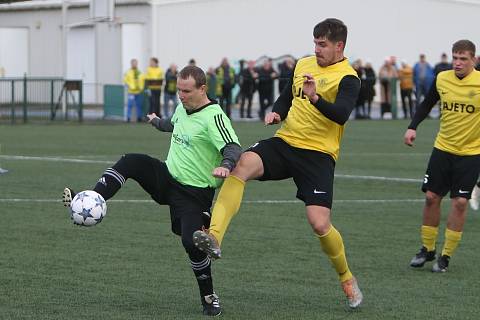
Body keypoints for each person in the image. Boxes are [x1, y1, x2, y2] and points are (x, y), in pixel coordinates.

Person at [193, 18, 363, 309]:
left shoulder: (349, 77)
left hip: (319, 155)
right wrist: (276, 112)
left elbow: (341, 114)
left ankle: (346, 277)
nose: (317, 49)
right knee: (240, 166)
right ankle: (215, 236)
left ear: (339, 46)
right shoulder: (303, 64)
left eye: (322, 45)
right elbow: (286, 98)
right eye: (315, 43)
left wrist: (315, 98)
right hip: (286, 143)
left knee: (320, 224)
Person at [62, 66, 242, 316]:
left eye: (186, 91)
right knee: (131, 161)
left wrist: (226, 165)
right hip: (167, 178)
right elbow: (173, 124)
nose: (181, 95)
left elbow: (233, 146)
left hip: (193, 193)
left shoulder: (215, 116)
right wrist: (157, 122)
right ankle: (92, 199)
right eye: (179, 89)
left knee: (192, 244)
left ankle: (209, 296)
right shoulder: (183, 107)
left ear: (203, 89)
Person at [404, 40, 480, 273]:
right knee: (431, 198)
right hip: (442, 150)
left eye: (463, 59)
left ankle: (446, 255)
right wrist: (413, 126)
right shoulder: (442, 79)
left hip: (471, 154)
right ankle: (427, 249)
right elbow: (426, 104)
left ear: (473, 60)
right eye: (455, 58)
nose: (457, 63)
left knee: (459, 202)